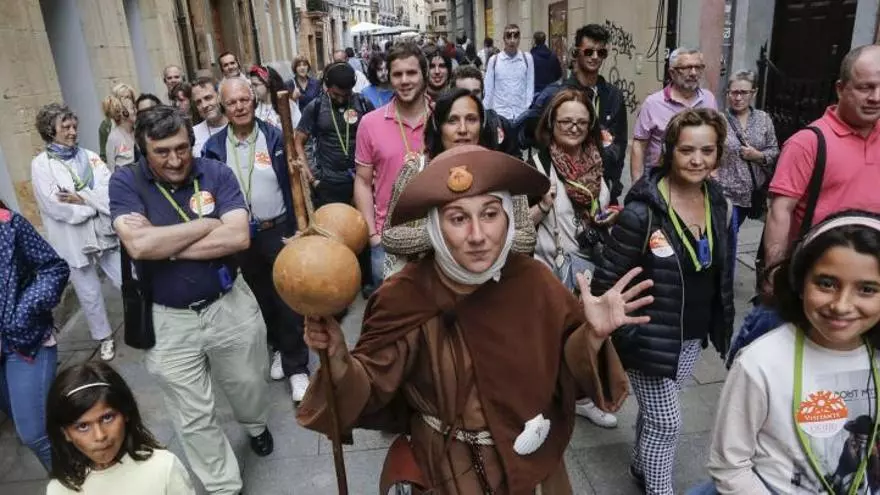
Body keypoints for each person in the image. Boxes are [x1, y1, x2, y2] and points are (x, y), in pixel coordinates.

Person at [297, 145, 651, 493]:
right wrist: (338, 357)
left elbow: (567, 370)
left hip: (535, 467)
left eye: (490, 214)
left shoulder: (534, 282)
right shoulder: (404, 295)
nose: (478, 236)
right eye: (458, 219)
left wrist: (592, 334)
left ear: (508, 218)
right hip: (447, 470)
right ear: (435, 227)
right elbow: (371, 386)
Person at [109, 106, 274, 494]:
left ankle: (255, 425)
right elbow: (138, 245)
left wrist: (162, 245)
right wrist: (206, 225)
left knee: (249, 383)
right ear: (143, 148)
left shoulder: (216, 173)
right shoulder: (125, 182)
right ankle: (224, 485)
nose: (175, 160)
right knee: (192, 415)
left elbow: (238, 237)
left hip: (229, 304)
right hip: (168, 319)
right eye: (162, 152)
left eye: (182, 148)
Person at [593, 108, 735, 495]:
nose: (697, 160)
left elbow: (717, 270)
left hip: (690, 333)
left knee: (655, 412)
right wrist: (620, 332)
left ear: (718, 154)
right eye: (687, 150)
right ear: (669, 151)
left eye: (707, 151)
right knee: (667, 422)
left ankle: (641, 464)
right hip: (647, 336)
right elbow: (606, 282)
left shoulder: (718, 202)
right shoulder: (641, 212)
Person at [698, 211, 880, 495]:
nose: (842, 305)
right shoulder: (760, 363)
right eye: (826, 283)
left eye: (867, 289)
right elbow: (729, 465)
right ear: (799, 283)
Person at [203, 77, 311, 403]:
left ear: (253, 100)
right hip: (240, 237)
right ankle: (278, 348)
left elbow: (295, 184)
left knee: (287, 299)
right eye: (231, 102)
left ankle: (297, 368)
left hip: (277, 230)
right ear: (223, 107)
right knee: (259, 299)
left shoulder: (276, 137)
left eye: (244, 100)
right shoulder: (213, 148)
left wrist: (300, 227)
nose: (239, 107)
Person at [527, 88, 616, 429]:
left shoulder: (598, 161)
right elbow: (517, 224)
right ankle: (547, 398)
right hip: (550, 267)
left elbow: (602, 205)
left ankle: (582, 398)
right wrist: (542, 206)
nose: (574, 128)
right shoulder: (537, 164)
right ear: (551, 123)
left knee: (587, 335)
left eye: (581, 122)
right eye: (566, 122)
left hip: (589, 265)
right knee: (553, 337)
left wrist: (609, 217)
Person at [382, 88, 536, 276]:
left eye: (471, 119)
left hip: (490, 284)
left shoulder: (503, 172)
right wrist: (441, 233)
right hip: (428, 284)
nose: (463, 129)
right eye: (452, 120)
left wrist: (488, 234)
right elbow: (390, 236)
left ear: (482, 125)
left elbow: (527, 238)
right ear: (438, 127)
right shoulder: (416, 171)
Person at [763, 45, 880, 273]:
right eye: (865, 87)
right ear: (841, 89)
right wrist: (774, 272)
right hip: (818, 272)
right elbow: (780, 211)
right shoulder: (808, 143)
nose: (876, 97)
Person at [31, 103, 120, 362]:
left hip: (102, 232)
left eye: (74, 126)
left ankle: (147, 320)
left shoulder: (90, 157)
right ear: (51, 131)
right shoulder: (41, 165)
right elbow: (55, 206)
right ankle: (104, 337)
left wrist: (82, 199)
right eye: (65, 127)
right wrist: (91, 205)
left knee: (126, 277)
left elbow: (109, 190)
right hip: (71, 239)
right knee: (88, 292)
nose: (72, 132)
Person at [45, 362, 194, 494]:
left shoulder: (163, 468)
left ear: (126, 413)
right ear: (65, 433)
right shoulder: (60, 490)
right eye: (83, 426)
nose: (100, 435)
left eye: (107, 418)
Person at [523, 24, 629, 205]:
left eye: (601, 52)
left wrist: (612, 186)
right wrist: (542, 208)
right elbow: (519, 218)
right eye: (566, 121)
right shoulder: (539, 171)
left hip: (602, 194)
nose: (595, 57)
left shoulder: (614, 96)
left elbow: (620, 144)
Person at [354, 42, 431, 289]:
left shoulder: (443, 119)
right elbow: (362, 181)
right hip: (387, 240)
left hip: (437, 235)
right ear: (389, 77)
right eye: (397, 74)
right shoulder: (370, 123)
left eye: (411, 73)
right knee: (390, 308)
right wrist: (373, 236)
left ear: (424, 74)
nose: (404, 80)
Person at [0, 199, 69, 471]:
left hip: (24, 343)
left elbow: (54, 269)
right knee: (26, 421)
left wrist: (23, 313)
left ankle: (73, 483)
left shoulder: (9, 226)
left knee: (35, 433)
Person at [631, 47, 717, 181]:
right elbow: (639, 144)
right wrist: (637, 183)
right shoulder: (653, 103)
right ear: (672, 72)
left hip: (699, 179)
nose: (694, 73)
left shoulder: (709, 99)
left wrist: (714, 173)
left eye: (698, 67)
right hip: (660, 180)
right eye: (687, 68)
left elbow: (716, 140)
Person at [296, 62, 374, 207]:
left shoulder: (363, 103)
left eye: (346, 95)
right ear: (327, 86)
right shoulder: (316, 106)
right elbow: (298, 141)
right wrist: (312, 179)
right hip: (328, 184)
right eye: (335, 94)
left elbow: (376, 140)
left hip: (361, 180)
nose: (340, 99)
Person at [713, 70, 779, 230]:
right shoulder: (719, 120)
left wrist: (758, 156)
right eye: (733, 92)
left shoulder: (763, 119)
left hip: (751, 194)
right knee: (725, 235)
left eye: (743, 92)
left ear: (753, 93)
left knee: (732, 234)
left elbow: (774, 150)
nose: (738, 98)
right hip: (725, 193)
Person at [452, 65, 518, 156]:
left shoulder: (502, 125)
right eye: (464, 93)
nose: (471, 98)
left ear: (483, 93)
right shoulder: (444, 127)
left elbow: (515, 161)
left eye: (476, 92)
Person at [483, 24, 535, 121]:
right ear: (504, 39)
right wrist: (487, 115)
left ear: (519, 39)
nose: (512, 40)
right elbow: (488, 89)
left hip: (521, 115)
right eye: (508, 36)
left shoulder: (527, 59)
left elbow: (530, 86)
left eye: (516, 36)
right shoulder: (494, 60)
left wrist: (527, 108)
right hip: (500, 115)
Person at [97, 84, 137, 163]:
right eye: (125, 97)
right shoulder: (107, 126)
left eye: (130, 97)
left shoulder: (137, 126)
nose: (129, 101)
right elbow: (106, 158)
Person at [191, 77, 228, 157]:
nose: (204, 105)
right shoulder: (193, 134)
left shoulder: (237, 124)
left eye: (208, 98)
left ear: (219, 97)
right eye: (198, 102)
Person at [531, 31, 562, 95]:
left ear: (534, 41)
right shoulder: (553, 56)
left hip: (536, 91)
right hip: (551, 91)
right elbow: (559, 74)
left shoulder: (531, 57)